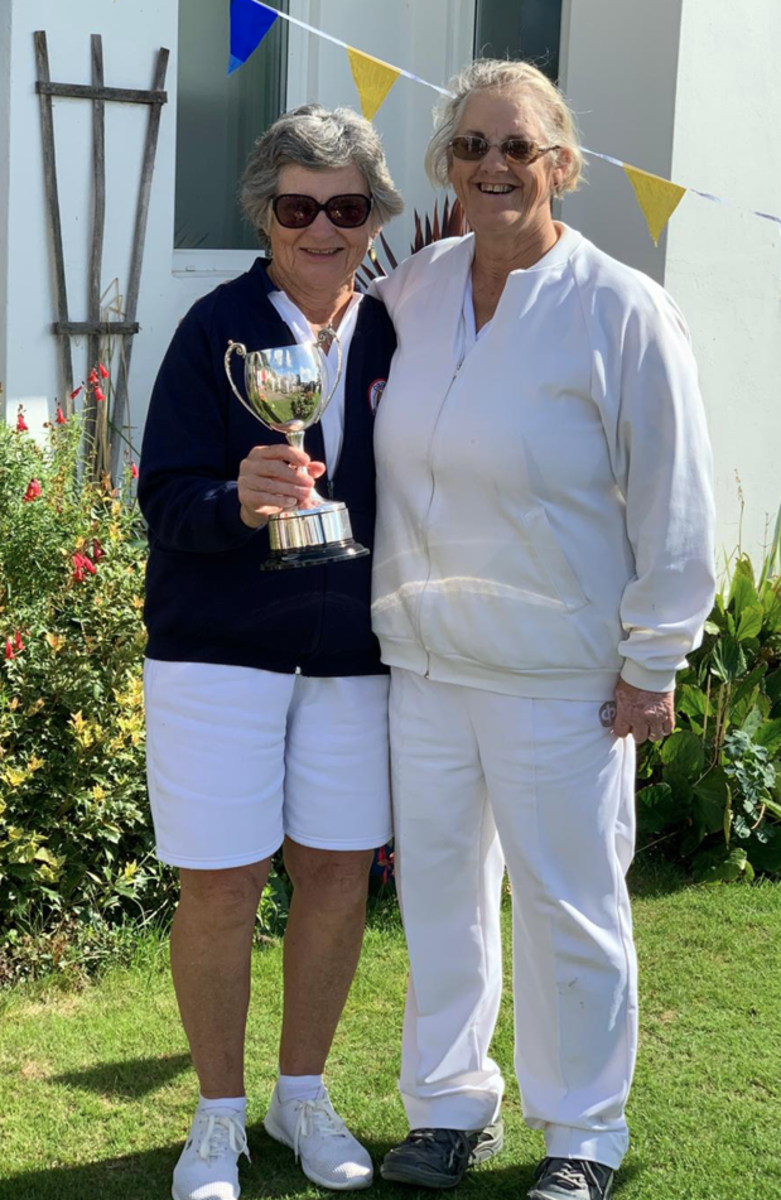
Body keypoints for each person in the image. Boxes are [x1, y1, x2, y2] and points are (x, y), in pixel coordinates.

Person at [369, 59, 716, 1200]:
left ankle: (583, 1133)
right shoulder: (414, 289)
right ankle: (447, 1108)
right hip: (424, 665)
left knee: (570, 906)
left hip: (558, 676)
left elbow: (675, 503)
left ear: (560, 164)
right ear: (446, 165)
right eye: (471, 146)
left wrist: (652, 660)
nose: (492, 166)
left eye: (516, 146)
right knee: (440, 900)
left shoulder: (620, 307)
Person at [138, 104, 403, 1200]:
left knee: (336, 874)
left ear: (373, 217)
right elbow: (162, 496)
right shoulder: (216, 329)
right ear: (264, 214)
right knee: (221, 884)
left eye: (346, 208)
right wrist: (233, 501)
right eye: (298, 208)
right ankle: (217, 1116)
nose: (322, 229)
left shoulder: (399, 327)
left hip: (354, 654)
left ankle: (302, 1096)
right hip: (218, 654)